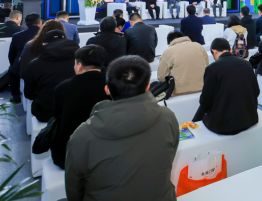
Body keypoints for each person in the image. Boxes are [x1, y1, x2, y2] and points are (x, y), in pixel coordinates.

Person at [65, 56, 179, 201]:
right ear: (147, 87)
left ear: (107, 89)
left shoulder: (82, 136)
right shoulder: (167, 117)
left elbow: (74, 190)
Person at [50, 45, 109, 169]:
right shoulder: (112, 86)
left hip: (69, 156)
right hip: (104, 153)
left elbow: (56, 115)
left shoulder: (63, 88)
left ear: (79, 66)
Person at [193, 38, 260, 135]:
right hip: (249, 119)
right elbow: (256, 91)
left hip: (224, 126)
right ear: (230, 50)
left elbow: (205, 101)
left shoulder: (212, 68)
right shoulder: (247, 64)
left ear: (214, 51)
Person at [23, 29, 80, 122]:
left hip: (46, 113)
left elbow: (29, 94)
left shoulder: (34, 65)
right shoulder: (81, 63)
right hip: (76, 111)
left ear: (44, 44)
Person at [158, 31, 209, 96]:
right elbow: (207, 66)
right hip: (202, 87)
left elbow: (161, 77)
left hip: (178, 91)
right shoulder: (199, 46)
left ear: (170, 42)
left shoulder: (167, 52)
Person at [7, 13, 41, 103]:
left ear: (25, 24)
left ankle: (16, 97)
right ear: (40, 23)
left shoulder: (17, 36)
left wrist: (12, 64)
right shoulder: (45, 35)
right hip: (41, 66)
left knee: (12, 72)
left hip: (22, 66)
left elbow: (11, 54)